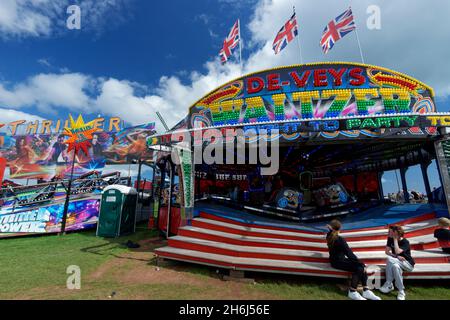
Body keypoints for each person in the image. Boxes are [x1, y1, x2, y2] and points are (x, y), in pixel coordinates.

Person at [326, 219, 381, 300]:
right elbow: (349, 253)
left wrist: (360, 263)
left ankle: (365, 291)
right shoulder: (340, 240)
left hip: (336, 261)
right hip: (338, 262)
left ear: (330, 228)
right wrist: (360, 263)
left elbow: (331, 231)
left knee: (360, 266)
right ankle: (353, 292)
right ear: (339, 228)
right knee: (360, 267)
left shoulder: (329, 235)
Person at [379, 225, 415, 300]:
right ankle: (401, 291)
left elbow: (398, 251)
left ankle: (388, 283)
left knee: (390, 259)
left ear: (396, 233)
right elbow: (387, 251)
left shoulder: (405, 241)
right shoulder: (390, 239)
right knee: (395, 267)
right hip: (397, 262)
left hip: (407, 264)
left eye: (390, 232)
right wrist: (396, 256)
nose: (388, 233)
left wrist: (395, 239)